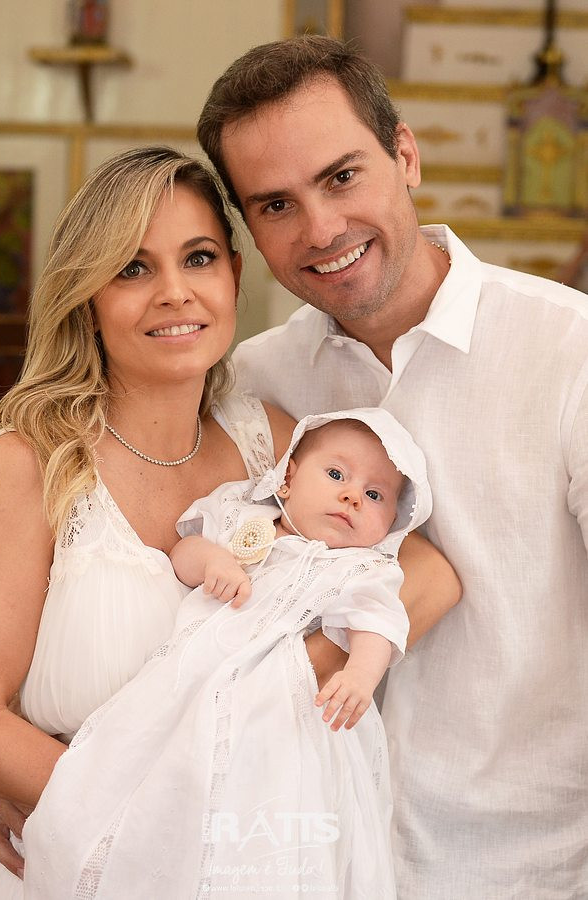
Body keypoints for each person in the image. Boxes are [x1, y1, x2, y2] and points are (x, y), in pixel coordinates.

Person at [0, 145, 459, 898]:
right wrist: (147, 818)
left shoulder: (270, 444)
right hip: (78, 869)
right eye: (132, 269)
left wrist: (276, 677)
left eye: (199, 258)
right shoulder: (31, 462)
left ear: (234, 277)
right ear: (86, 297)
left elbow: (427, 573)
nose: (175, 293)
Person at [196, 35, 588, 900]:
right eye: (276, 204)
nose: (321, 230)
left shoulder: (569, 352)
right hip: (300, 862)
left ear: (404, 155)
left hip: (517, 870)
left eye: (341, 177)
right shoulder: (252, 383)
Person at [20, 407, 431, 899]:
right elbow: (183, 553)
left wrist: (361, 675)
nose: (352, 497)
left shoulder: (362, 570)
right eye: (337, 475)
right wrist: (214, 561)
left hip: (289, 723)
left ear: (391, 523)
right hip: (188, 678)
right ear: (287, 480)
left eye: (375, 495)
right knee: (154, 762)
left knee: (270, 816)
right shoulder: (241, 516)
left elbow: (378, 625)